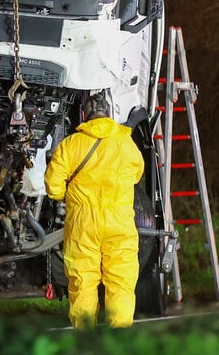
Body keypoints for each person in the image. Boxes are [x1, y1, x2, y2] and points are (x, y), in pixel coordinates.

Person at [44, 93, 145, 329]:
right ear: (110, 114)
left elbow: (53, 188)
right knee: (121, 281)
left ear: (83, 115)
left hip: (83, 225)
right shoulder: (126, 144)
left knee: (83, 281)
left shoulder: (70, 145)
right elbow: (137, 174)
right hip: (119, 223)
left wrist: (66, 195)